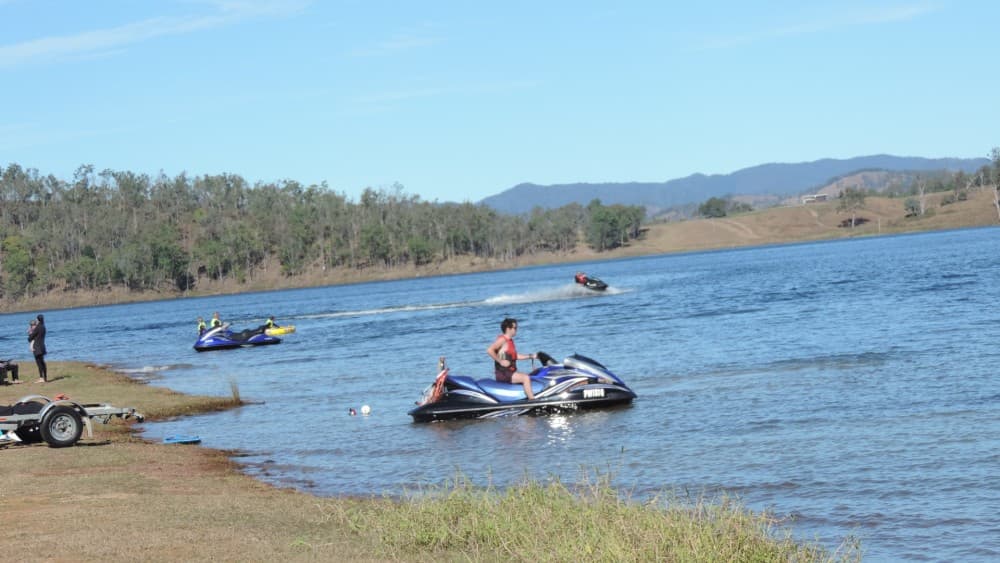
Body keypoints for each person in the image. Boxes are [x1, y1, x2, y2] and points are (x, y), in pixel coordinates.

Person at [486, 317, 537, 400]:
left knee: (531, 375)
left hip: (509, 372)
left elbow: (515, 356)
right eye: (515, 328)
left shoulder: (510, 341)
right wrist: (500, 361)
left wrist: (530, 356)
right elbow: (489, 350)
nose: (516, 330)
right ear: (508, 329)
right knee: (525, 378)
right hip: (503, 373)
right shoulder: (502, 340)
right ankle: (533, 400)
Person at [28, 313, 47, 383]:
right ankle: (45, 377)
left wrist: (30, 334)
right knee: (43, 363)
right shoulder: (43, 327)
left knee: (39, 363)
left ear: (38, 319)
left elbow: (30, 338)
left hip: (37, 347)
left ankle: (41, 378)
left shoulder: (37, 328)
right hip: (42, 346)